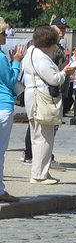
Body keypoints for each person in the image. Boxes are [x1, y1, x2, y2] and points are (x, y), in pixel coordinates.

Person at [23, 25, 76, 184]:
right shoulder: (41, 57)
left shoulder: (30, 52)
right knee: (44, 137)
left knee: (37, 136)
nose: (55, 46)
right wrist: (65, 72)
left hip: (32, 97)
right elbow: (54, 79)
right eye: (54, 43)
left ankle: (39, 171)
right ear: (48, 43)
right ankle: (40, 175)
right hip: (42, 98)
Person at [0, 21, 27, 201]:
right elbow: (10, 81)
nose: (6, 36)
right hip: (2, 106)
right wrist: (16, 62)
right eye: (4, 33)